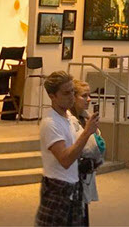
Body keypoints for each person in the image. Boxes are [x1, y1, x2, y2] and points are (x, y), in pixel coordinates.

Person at [36, 71, 99, 226]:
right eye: (66, 93)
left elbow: (78, 148)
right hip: (57, 189)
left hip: (74, 186)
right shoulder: (51, 123)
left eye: (72, 91)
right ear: (52, 96)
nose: (71, 96)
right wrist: (86, 133)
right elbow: (65, 159)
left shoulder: (70, 118)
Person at [70, 79, 105, 224]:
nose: (89, 99)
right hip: (72, 176)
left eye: (89, 95)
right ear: (73, 97)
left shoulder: (86, 118)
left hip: (85, 175)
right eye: (84, 96)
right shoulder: (68, 121)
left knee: (83, 216)